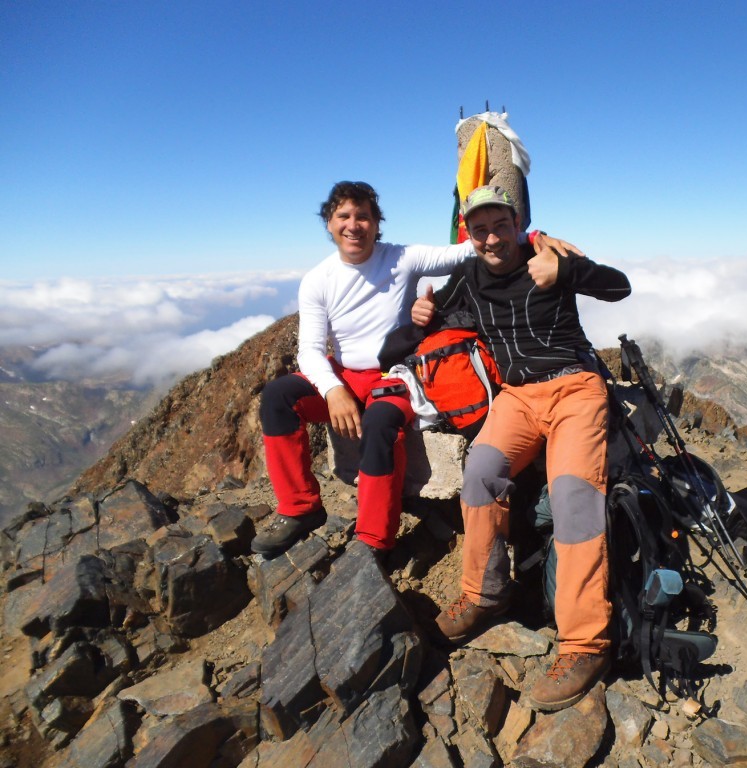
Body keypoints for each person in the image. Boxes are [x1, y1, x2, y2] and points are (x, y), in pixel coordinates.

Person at [253, 181, 574, 558]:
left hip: (395, 374)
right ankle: (300, 507)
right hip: (342, 375)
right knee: (277, 398)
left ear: (376, 223)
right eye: (344, 216)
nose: (353, 225)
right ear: (329, 222)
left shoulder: (401, 258)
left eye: (363, 216)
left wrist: (532, 235)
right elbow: (308, 350)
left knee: (381, 422)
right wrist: (332, 390)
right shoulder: (317, 280)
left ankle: (374, 539)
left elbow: (468, 249)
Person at [412, 184, 632, 711]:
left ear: (517, 223)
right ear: (469, 232)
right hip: (517, 396)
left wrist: (568, 273)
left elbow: (619, 288)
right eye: (480, 228)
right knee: (480, 472)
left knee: (573, 495)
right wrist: (422, 313)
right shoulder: (467, 275)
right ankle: (485, 595)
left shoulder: (549, 256)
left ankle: (585, 644)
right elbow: (424, 325)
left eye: (500, 225)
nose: (492, 237)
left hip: (576, 386)